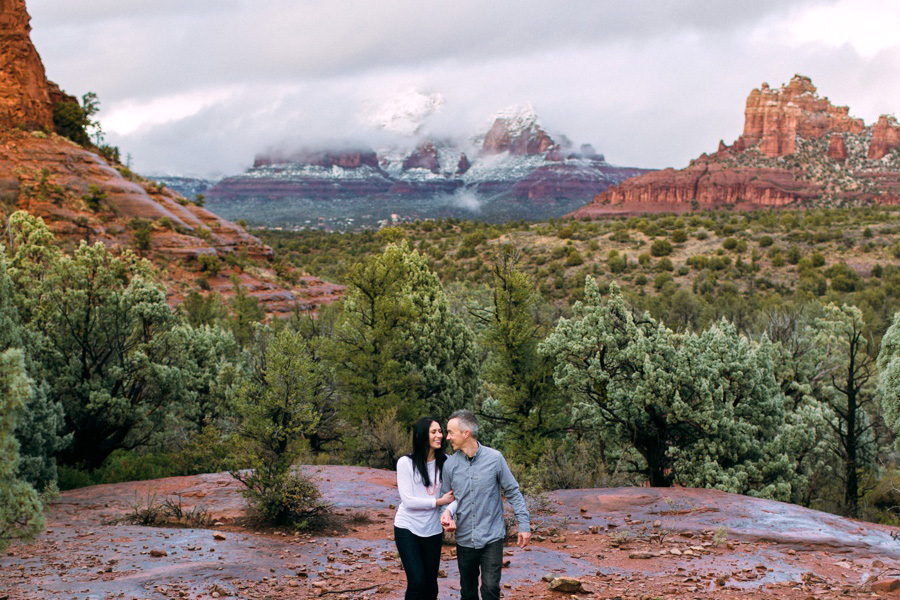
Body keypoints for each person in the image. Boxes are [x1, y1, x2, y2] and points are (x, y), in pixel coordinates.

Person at [439, 409, 530, 600]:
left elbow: (513, 491)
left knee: (490, 590)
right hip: (464, 538)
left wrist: (524, 525)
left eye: (450, 432)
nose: (447, 437)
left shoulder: (495, 458)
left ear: (466, 433)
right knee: (468, 592)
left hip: (492, 537)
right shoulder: (450, 466)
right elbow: (446, 499)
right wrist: (446, 515)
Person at [394, 416, 456, 600]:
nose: (440, 435)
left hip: (433, 531)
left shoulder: (447, 462)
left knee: (430, 585)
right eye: (434, 432)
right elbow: (408, 501)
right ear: (422, 435)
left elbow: (456, 495)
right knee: (417, 581)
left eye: (440, 431)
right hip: (407, 528)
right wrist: (438, 502)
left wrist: (448, 511)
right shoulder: (406, 463)